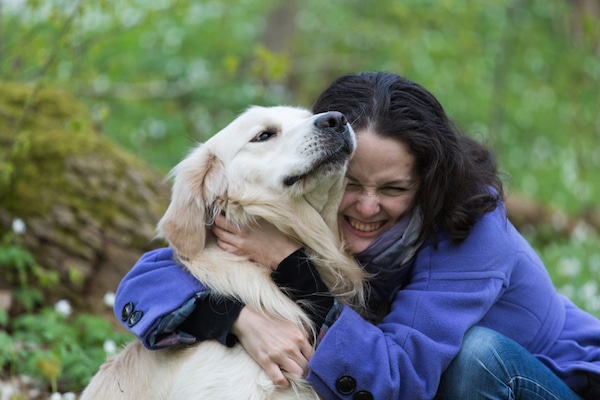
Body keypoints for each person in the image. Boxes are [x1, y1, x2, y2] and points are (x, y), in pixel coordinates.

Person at [114, 71, 600, 399]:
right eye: (349, 183)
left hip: (548, 382)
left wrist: (292, 265)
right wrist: (234, 315)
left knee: (473, 357)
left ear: (426, 182)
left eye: (394, 189)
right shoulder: (316, 206)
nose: (367, 208)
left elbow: (400, 380)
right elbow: (154, 277)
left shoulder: (473, 231)